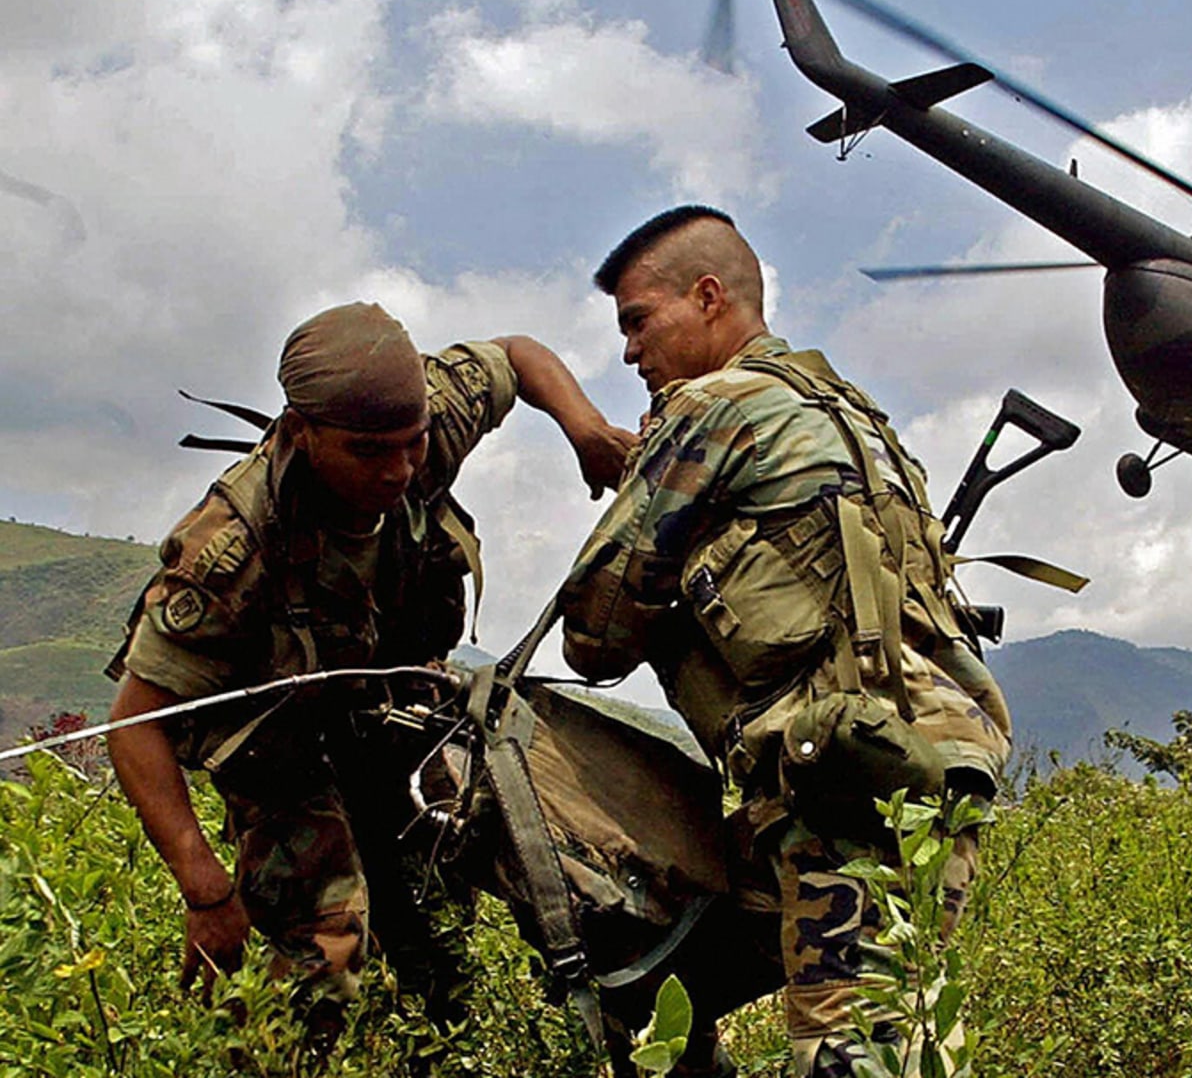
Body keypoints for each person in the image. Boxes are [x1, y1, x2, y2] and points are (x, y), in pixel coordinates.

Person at [559, 206, 1012, 1078]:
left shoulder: (715, 406)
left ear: (709, 297)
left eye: (638, 322)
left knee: (854, 1055)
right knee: (882, 1024)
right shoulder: (849, 410)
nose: (629, 352)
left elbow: (595, 634)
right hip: (931, 763)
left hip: (847, 781)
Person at [106, 302, 635, 1049]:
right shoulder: (231, 549)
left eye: (412, 446)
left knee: (446, 909)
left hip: (395, 715)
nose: (398, 471)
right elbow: (134, 725)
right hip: (284, 753)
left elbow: (517, 355)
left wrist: (587, 431)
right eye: (367, 452)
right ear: (302, 432)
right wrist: (206, 889)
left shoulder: (427, 417)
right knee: (327, 948)